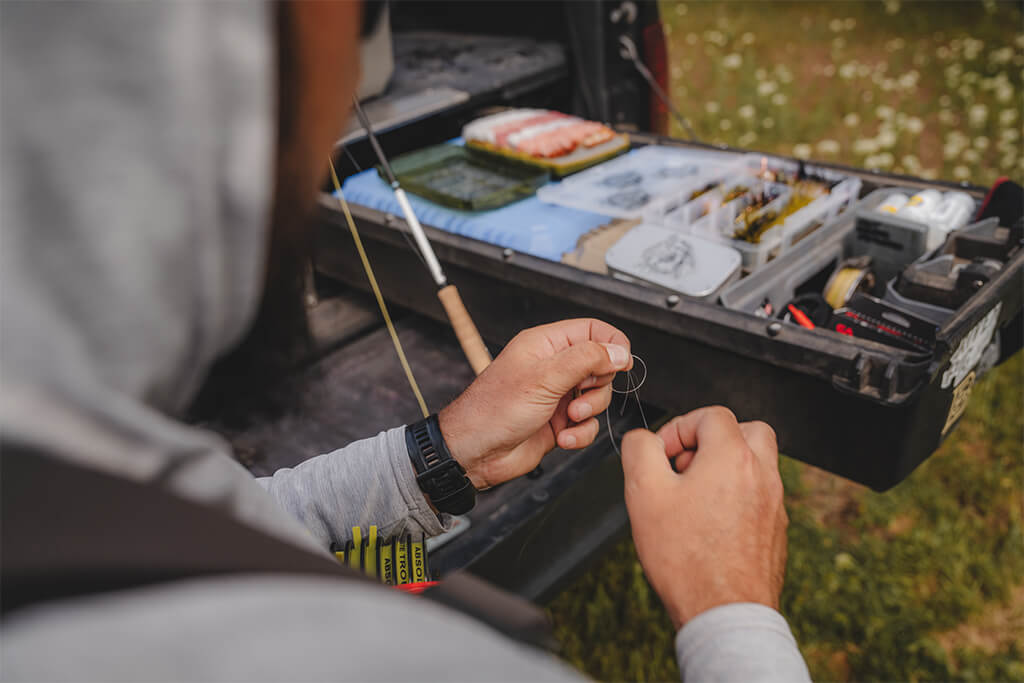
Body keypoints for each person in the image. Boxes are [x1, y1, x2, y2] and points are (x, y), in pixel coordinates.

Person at [0, 2, 810, 681]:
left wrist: (441, 454)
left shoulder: (71, 478)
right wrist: (731, 610)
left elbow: (233, 521)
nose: (350, 80)